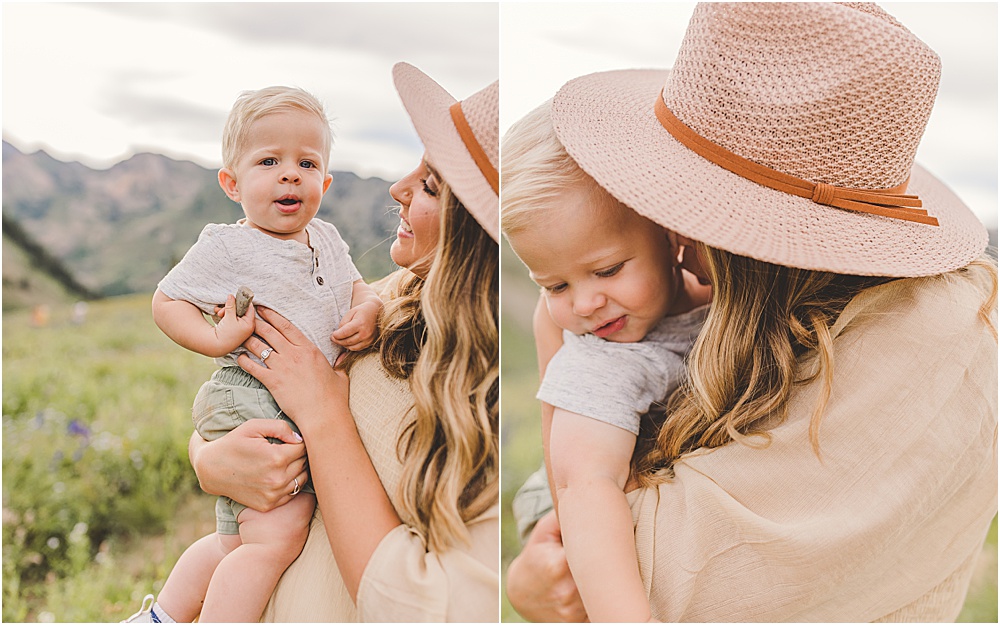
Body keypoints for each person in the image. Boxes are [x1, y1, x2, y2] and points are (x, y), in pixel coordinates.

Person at [506, 3, 997, 622]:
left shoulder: (921, 335)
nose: (672, 224)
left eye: (608, 268)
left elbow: (694, 579)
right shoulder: (648, 332)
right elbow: (580, 482)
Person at [182, 63, 499, 621]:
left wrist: (325, 414)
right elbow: (240, 393)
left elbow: (421, 606)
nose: (398, 189)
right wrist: (210, 459)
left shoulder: (487, 390)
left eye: (429, 185)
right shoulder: (385, 296)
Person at [128, 86, 382, 623]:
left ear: (325, 182)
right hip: (254, 394)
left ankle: (163, 616)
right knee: (275, 538)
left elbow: (359, 286)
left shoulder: (329, 239)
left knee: (235, 545)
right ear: (232, 182)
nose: (290, 174)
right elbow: (166, 300)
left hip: (297, 400)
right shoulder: (228, 245)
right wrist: (218, 340)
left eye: (306, 163)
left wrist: (367, 308)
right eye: (269, 160)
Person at [502, 100, 710, 622]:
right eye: (554, 285)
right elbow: (583, 488)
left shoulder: (718, 295)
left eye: (608, 270)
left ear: (670, 233)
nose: (585, 304)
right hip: (562, 499)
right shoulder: (606, 357)